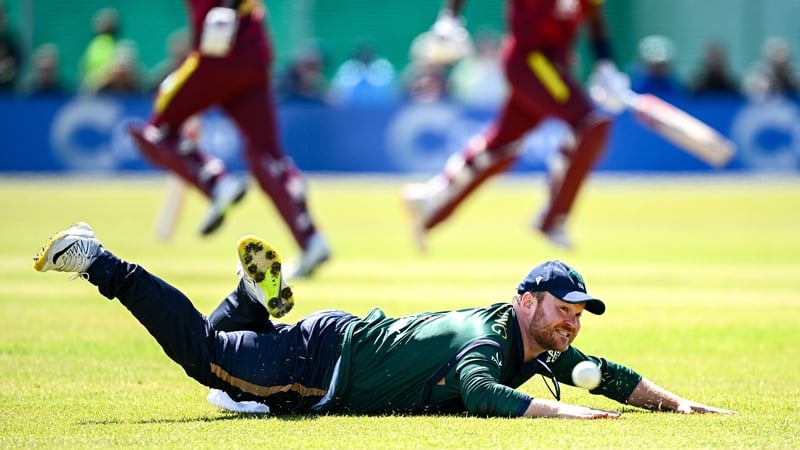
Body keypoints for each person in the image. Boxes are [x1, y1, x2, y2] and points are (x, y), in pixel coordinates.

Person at [32, 221, 735, 418]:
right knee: (204, 358)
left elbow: (604, 374)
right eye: (563, 311)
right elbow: (481, 392)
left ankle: (250, 300)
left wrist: (676, 405)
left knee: (228, 369)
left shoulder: (534, 340)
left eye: (578, 315)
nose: (572, 325)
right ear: (527, 302)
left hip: (334, 341)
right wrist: (570, 417)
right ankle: (100, 262)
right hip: (318, 368)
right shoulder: (490, 342)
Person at [402, 0, 632, 250]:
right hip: (531, 60)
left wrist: (606, 65)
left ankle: (431, 198)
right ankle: (552, 217)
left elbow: (595, 15)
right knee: (588, 124)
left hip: (553, 65)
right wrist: (450, 16)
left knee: (502, 147)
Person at [127, 0, 330, 280]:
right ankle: (311, 240)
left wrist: (229, 6)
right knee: (266, 155)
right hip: (254, 52)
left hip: (218, 53)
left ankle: (216, 182)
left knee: (156, 132)